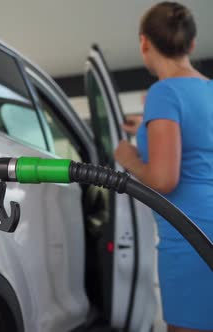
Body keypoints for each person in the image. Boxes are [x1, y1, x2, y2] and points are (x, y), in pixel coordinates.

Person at [114, 2, 213, 332]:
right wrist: (147, 125)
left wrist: (129, 159)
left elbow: (163, 178)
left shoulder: (163, 92)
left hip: (190, 236)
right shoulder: (209, 90)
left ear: (144, 42)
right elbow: (197, 137)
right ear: (191, 44)